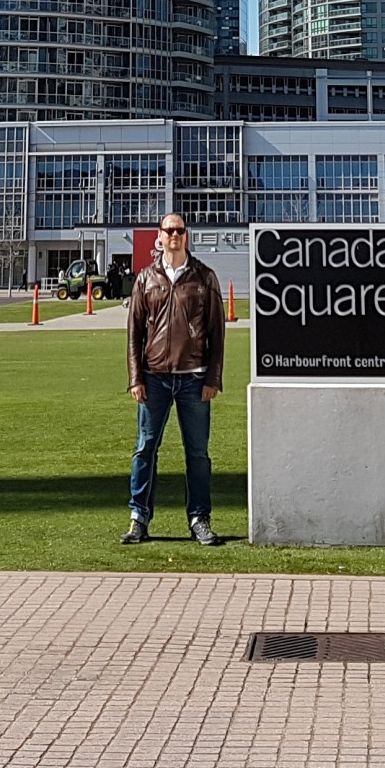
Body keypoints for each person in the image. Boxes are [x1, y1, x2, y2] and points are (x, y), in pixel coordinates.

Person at [123, 213, 226, 546]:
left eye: (180, 230)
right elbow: (134, 333)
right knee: (144, 450)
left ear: (187, 235)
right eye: (169, 230)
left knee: (198, 454)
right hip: (154, 379)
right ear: (160, 236)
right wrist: (136, 378)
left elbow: (217, 333)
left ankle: (199, 518)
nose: (175, 235)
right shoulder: (145, 279)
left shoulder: (204, 278)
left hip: (194, 380)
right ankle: (139, 517)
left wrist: (213, 377)